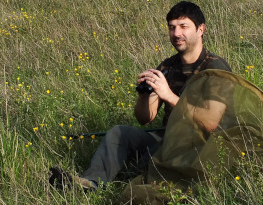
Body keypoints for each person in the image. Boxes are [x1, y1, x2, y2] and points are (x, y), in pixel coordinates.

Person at [49, 1, 232, 190]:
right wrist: (145, 94)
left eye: (183, 26)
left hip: (200, 144)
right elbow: (145, 119)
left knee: (153, 156)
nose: (176, 34)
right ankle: (91, 183)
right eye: (172, 27)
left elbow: (211, 123)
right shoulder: (167, 67)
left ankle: (128, 177)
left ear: (201, 29)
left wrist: (168, 95)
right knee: (119, 133)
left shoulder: (215, 68)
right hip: (168, 136)